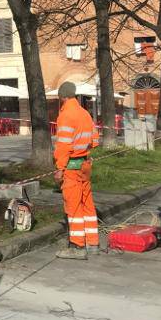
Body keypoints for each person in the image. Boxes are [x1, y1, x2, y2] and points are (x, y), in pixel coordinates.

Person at [53, 81, 100, 259]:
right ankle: (93, 243)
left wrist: (59, 168)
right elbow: (94, 140)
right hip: (85, 164)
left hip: (71, 167)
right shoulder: (85, 114)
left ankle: (77, 246)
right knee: (87, 204)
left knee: (73, 207)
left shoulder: (66, 116)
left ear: (62, 96)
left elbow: (64, 146)